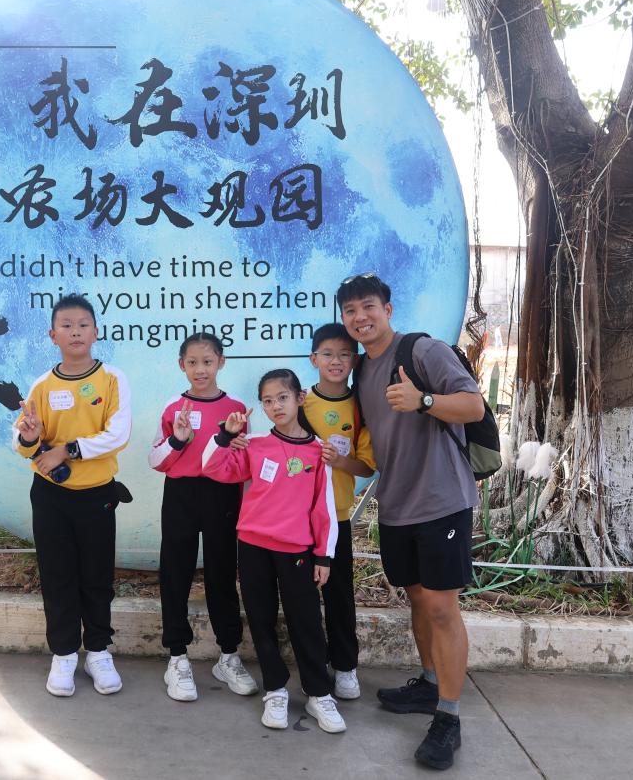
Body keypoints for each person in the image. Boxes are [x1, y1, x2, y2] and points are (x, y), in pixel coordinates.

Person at [337, 273, 486, 771]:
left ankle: (449, 717)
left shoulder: (423, 351)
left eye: (368, 306)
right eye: (350, 310)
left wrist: (424, 400)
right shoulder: (361, 369)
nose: (360, 317)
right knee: (418, 598)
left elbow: (473, 405)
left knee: (442, 607)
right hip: (397, 503)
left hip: (442, 499)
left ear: (388, 309)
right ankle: (429, 683)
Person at [201, 369, 346, 734]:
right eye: (268, 401)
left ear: (299, 398)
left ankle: (318, 693)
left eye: (282, 397)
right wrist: (225, 436)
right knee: (261, 619)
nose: (276, 406)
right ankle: (275, 690)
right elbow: (212, 467)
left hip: (296, 550)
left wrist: (323, 555)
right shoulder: (254, 445)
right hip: (253, 546)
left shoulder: (318, 451)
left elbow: (324, 507)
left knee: (306, 620)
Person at [13, 294, 131, 699]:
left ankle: (98, 651)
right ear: (53, 335)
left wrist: (68, 449)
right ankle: (63, 654)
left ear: (96, 332)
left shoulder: (112, 379)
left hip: (97, 494)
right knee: (57, 575)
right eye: (66, 325)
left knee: (97, 576)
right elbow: (23, 440)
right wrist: (30, 437)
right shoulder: (42, 386)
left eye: (83, 325)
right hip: (51, 497)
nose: (75, 332)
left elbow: (118, 434)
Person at [148, 332, 259, 702]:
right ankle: (177, 657)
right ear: (182, 365)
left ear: (221, 363)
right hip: (181, 493)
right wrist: (178, 439)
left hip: (222, 495)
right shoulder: (173, 407)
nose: (200, 369)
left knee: (222, 573)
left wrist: (237, 446)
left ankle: (228, 655)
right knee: (175, 572)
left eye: (208, 362)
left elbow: (243, 462)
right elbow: (157, 460)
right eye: (193, 362)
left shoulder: (236, 409)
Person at [302, 323, 375, 701]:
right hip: (298, 519)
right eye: (328, 354)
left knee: (339, 596)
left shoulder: (361, 408)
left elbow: (366, 466)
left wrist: (341, 461)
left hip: (337, 518)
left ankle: (345, 667)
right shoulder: (299, 403)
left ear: (354, 361)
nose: (336, 361)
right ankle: (313, 668)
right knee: (302, 598)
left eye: (344, 354)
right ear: (313, 359)